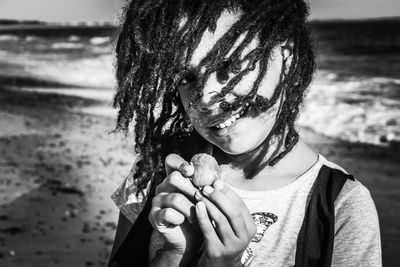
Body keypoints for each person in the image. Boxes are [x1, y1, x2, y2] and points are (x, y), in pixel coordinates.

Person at [107, 0, 382, 266]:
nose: (205, 97)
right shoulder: (157, 172)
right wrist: (175, 253)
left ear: (287, 59)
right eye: (186, 78)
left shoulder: (339, 206)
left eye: (229, 65)